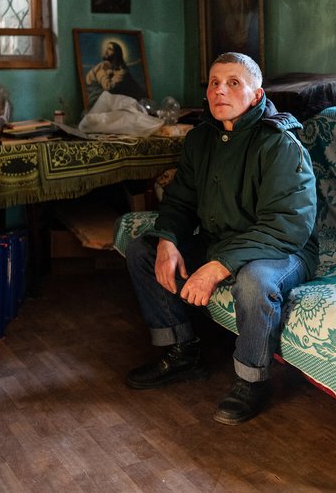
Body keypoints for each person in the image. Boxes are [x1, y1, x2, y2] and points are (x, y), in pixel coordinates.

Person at [124, 52, 318, 424]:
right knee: (143, 251)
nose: (220, 91)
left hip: (282, 249)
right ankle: (181, 352)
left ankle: (252, 381)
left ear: (256, 95)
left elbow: (287, 225)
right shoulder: (203, 138)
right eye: (214, 83)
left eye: (233, 83)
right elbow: (180, 199)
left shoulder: (280, 144)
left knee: (253, 281)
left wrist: (218, 265)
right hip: (223, 243)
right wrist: (168, 240)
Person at [85, 39, 147, 104]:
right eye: (106, 48)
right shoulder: (102, 66)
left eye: (110, 49)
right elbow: (107, 86)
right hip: (95, 98)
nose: (106, 51)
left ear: (116, 53)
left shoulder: (120, 69)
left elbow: (110, 86)